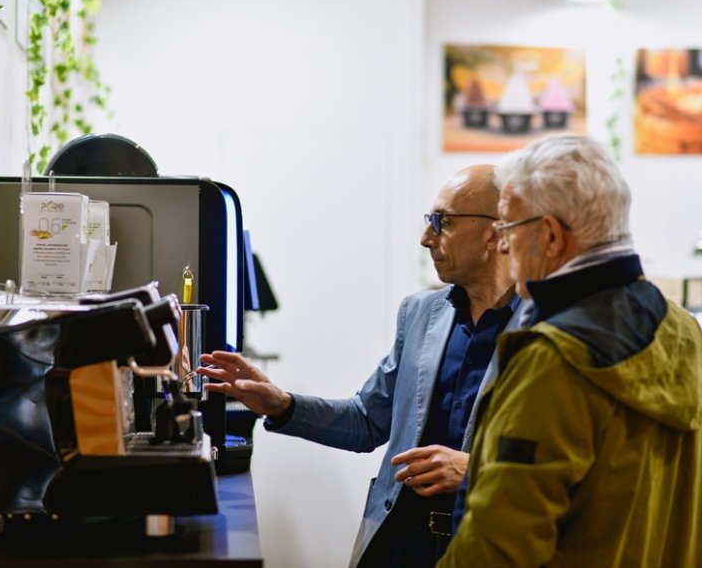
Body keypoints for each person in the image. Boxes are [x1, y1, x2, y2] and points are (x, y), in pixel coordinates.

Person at [198, 164, 525, 568]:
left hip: (489, 548)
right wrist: (281, 404)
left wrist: (476, 471)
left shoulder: (546, 331)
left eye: (443, 223)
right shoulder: (421, 314)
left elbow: (574, 463)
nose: (426, 239)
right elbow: (368, 420)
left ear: (495, 231)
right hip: (398, 543)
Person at [439, 135, 702, 567]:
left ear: (551, 236)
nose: (499, 245)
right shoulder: (685, 331)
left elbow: (498, 545)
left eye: (507, 228)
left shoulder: (550, 359)